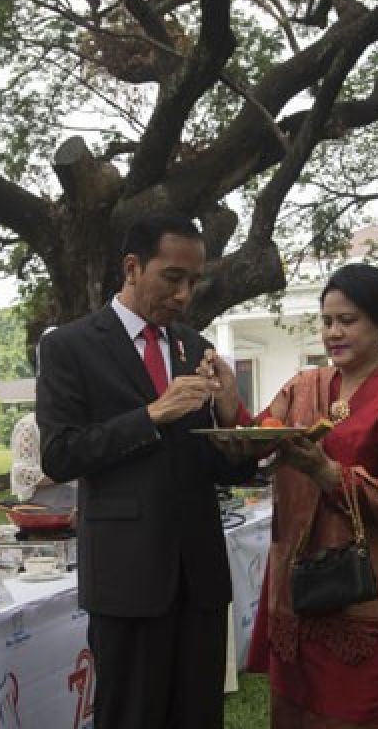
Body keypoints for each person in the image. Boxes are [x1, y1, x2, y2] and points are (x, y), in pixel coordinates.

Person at [35, 214, 257, 729]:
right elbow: (61, 454)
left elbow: (222, 470)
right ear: (132, 267)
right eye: (172, 277)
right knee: (131, 714)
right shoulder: (70, 346)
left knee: (199, 715)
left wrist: (229, 416)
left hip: (199, 574)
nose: (183, 295)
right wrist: (152, 415)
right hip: (127, 576)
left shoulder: (193, 345)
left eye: (193, 281)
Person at [244, 263, 378, 727]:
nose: (333, 332)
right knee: (296, 705)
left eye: (347, 321)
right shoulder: (302, 387)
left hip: (364, 582)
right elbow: (258, 433)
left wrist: (327, 471)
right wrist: (226, 395)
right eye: (327, 320)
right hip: (298, 574)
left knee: (358, 707)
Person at [9, 411, 77, 511]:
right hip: (44, 507)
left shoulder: (78, 421)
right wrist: (66, 473)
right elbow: (23, 473)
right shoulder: (30, 424)